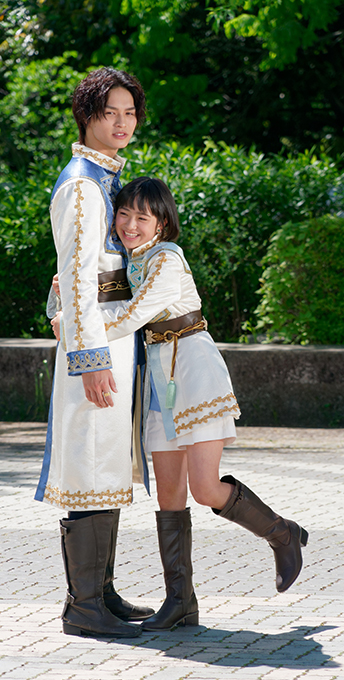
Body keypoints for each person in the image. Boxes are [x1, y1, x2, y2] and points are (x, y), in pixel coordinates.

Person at [97, 176, 309, 631]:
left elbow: (134, 314)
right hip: (159, 382)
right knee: (169, 495)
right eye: (124, 214)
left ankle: (282, 533)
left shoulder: (167, 258)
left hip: (193, 370)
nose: (130, 224)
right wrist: (66, 299)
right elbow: (99, 301)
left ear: (162, 222)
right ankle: (180, 602)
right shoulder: (127, 262)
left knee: (205, 488)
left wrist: (83, 330)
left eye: (142, 217)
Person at [34, 69, 154, 639]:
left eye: (130, 113)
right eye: (112, 113)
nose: (123, 123)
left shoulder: (104, 179)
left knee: (105, 465)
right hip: (96, 352)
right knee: (89, 465)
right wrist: (90, 358)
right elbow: (78, 278)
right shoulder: (83, 185)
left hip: (109, 344)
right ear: (88, 116)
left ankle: (100, 594)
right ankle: (83, 608)